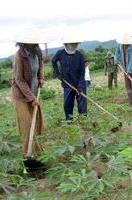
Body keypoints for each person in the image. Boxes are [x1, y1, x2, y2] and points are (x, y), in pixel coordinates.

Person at [11, 25, 48, 158]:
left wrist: (41, 77)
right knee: (26, 125)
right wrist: (31, 98)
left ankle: (38, 152)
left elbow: (41, 65)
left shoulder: (37, 51)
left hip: (34, 90)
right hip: (21, 95)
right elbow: (19, 80)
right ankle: (27, 154)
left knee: (37, 122)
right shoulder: (19, 56)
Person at [51, 35, 87, 120]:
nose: (74, 45)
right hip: (67, 84)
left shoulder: (80, 56)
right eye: (72, 44)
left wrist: (80, 86)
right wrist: (57, 74)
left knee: (82, 106)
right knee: (67, 105)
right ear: (66, 44)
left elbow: (82, 73)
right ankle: (69, 123)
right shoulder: (60, 53)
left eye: (76, 44)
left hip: (79, 84)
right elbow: (53, 61)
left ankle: (84, 122)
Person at [114, 32, 132, 105]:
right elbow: (117, 53)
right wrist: (116, 60)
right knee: (127, 85)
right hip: (124, 68)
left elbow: (131, 60)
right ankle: (131, 101)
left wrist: (129, 71)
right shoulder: (119, 45)